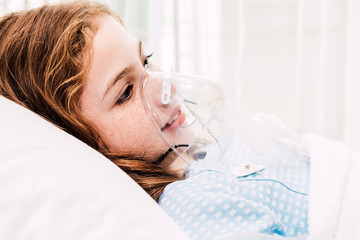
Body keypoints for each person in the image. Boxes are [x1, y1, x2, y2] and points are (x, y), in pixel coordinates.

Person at [0, 2, 311, 239]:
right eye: (125, 93)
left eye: (146, 60)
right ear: (77, 141)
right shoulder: (191, 205)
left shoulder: (207, 152)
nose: (166, 86)